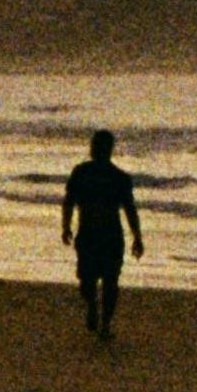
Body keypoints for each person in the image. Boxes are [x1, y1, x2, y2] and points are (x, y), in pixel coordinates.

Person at [57, 123, 146, 338]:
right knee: (86, 281)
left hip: (110, 235)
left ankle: (105, 325)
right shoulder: (81, 172)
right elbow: (69, 201)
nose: (94, 149)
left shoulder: (119, 177)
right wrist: (66, 226)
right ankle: (93, 307)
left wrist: (137, 237)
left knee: (111, 282)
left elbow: (129, 209)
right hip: (88, 234)